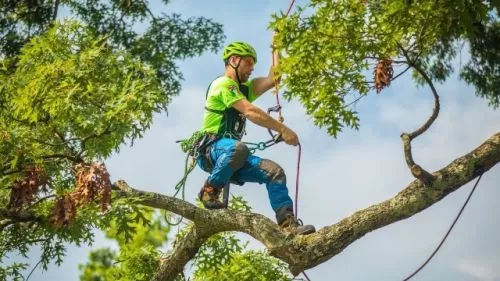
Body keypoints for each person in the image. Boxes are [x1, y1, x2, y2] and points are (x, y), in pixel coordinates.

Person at [195, 39, 315, 235]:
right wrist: (282, 129)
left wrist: (277, 46)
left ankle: (288, 226)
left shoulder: (244, 89)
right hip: (212, 150)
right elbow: (250, 111)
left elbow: (273, 78)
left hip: (232, 155)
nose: (252, 69)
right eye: (249, 63)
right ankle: (209, 190)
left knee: (274, 172)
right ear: (234, 60)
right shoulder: (223, 84)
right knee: (238, 148)